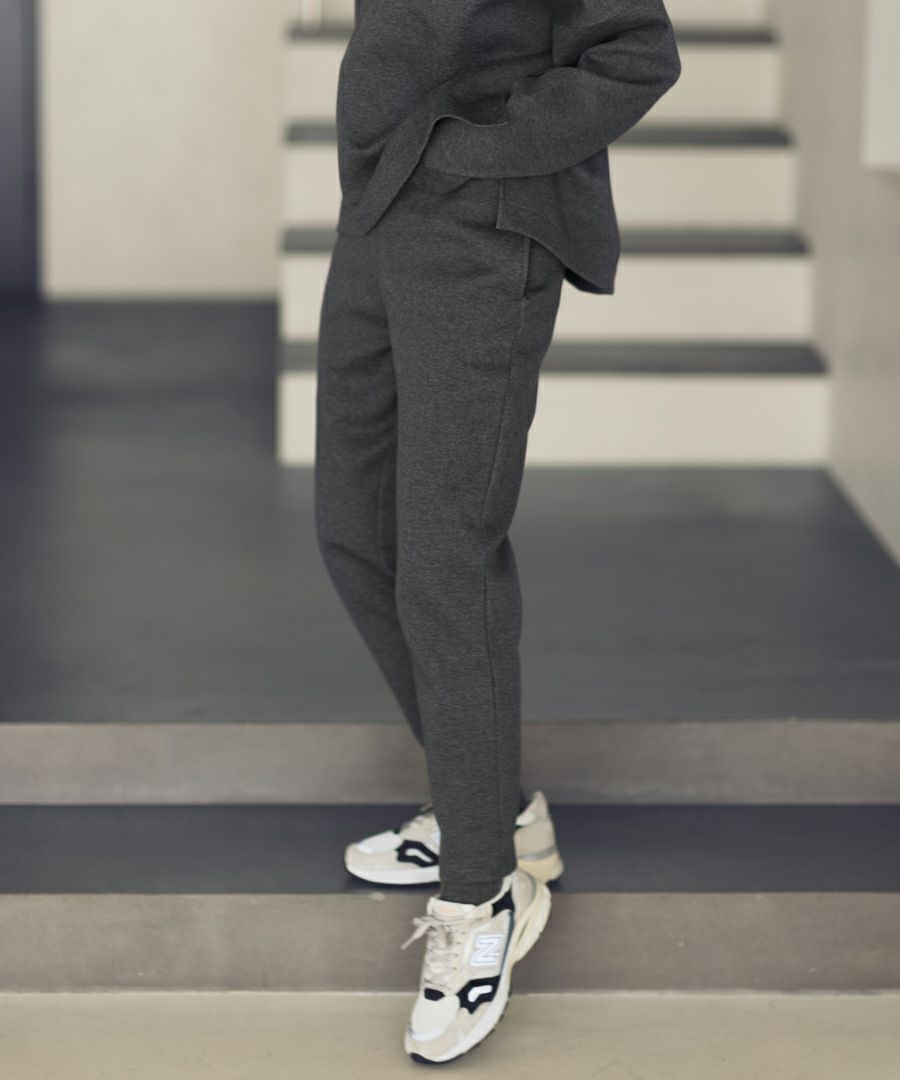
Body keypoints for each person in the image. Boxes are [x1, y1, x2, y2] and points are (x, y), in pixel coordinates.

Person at [314, 0, 681, 1064]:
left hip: (479, 228)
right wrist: (400, 158)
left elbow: (637, 52)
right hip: (379, 208)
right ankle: (493, 809)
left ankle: (481, 894)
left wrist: (474, 155)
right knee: (354, 532)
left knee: (445, 560)